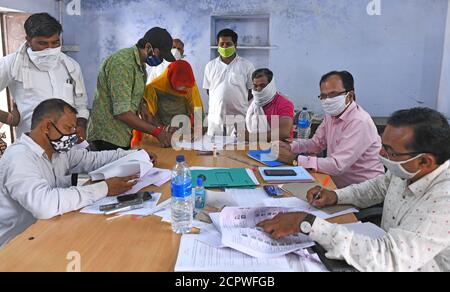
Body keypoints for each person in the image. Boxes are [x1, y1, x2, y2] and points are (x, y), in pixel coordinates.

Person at [258, 107, 450, 272]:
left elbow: (389, 258)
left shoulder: (444, 199)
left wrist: (307, 223)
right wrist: (335, 196)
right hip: (380, 249)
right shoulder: (407, 169)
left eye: (390, 151)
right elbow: (378, 187)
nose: (381, 154)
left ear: (425, 161)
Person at [0, 99, 157, 247]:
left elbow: (94, 159)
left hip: (50, 230)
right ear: (47, 127)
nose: (73, 136)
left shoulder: (57, 151)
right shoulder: (19, 158)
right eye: (69, 128)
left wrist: (134, 154)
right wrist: (104, 188)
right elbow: (44, 205)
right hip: (15, 246)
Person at [275, 71, 385, 188]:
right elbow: (316, 143)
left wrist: (295, 159)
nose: (327, 100)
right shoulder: (331, 115)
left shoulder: (359, 122)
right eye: (323, 96)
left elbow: (337, 165)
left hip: (363, 190)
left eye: (333, 95)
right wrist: (291, 147)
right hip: (335, 183)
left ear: (350, 96)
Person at [0, 13, 89, 141]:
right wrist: (9, 118)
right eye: (43, 43)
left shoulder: (71, 66)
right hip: (33, 144)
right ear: (28, 40)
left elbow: (81, 105)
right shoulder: (11, 64)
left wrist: (81, 127)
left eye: (55, 43)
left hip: (69, 143)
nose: (50, 49)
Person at [87, 27, 176, 150]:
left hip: (121, 136)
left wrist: (161, 127)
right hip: (106, 138)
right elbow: (122, 113)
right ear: (148, 47)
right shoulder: (122, 64)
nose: (160, 61)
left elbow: (140, 109)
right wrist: (157, 133)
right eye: (160, 55)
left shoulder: (140, 68)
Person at [131, 60, 204, 147]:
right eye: (180, 86)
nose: (184, 89)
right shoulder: (154, 87)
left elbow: (197, 109)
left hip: (184, 135)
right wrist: (164, 129)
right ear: (170, 78)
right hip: (160, 136)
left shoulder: (189, 84)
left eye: (186, 87)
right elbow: (147, 117)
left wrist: (198, 129)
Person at [203, 29, 255, 136]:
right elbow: (209, 91)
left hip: (239, 120)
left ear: (235, 45)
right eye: (222, 44)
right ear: (218, 45)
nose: (225, 47)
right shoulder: (210, 66)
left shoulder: (247, 65)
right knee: (214, 150)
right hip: (215, 120)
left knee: (238, 151)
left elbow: (251, 92)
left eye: (228, 44)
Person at [245, 68, 294, 141]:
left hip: (280, 147)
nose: (258, 89)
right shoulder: (253, 104)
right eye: (255, 86)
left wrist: (252, 137)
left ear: (271, 85)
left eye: (262, 85)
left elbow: (284, 133)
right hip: (256, 145)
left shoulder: (284, 103)